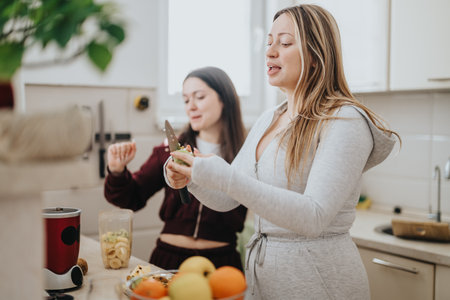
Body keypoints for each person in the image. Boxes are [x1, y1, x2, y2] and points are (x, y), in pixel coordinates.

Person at [166, 4, 401, 299]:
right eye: (269, 43)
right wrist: (193, 176)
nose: (270, 52)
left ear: (316, 55)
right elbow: (228, 198)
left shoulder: (345, 120)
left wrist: (222, 175)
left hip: (320, 283)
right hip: (265, 279)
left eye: (285, 42)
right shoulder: (269, 118)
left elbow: (313, 217)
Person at [104, 66, 248, 271]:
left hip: (222, 264)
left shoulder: (247, 155)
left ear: (224, 98)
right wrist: (117, 171)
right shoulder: (169, 151)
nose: (191, 106)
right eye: (186, 100)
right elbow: (131, 197)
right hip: (168, 260)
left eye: (199, 97)